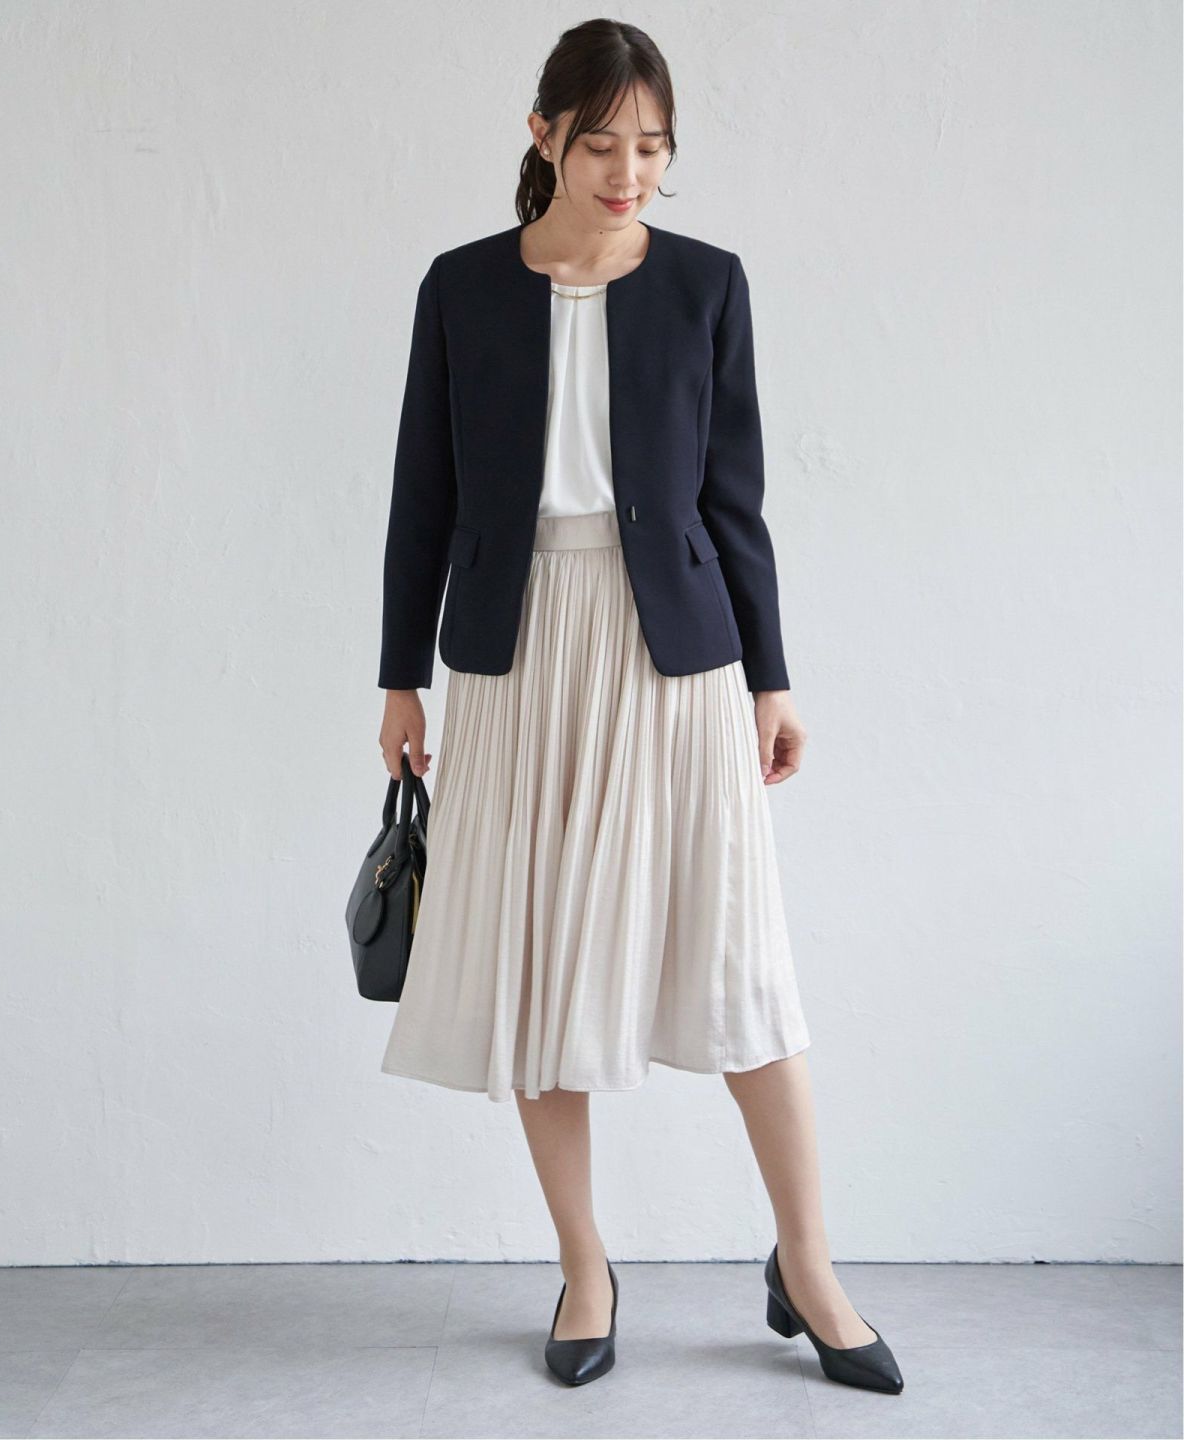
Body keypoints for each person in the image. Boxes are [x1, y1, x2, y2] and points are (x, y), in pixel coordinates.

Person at [373, 18, 903, 1396]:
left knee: (740, 974)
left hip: (678, 657)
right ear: (543, 135)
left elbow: (736, 503)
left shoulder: (708, 284)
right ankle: (585, 1265)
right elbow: (423, 488)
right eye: (603, 142)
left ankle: (808, 1262)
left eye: (654, 146)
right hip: (513, 656)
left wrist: (772, 678)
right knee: (541, 970)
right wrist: (398, 676)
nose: (630, 171)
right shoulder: (461, 287)